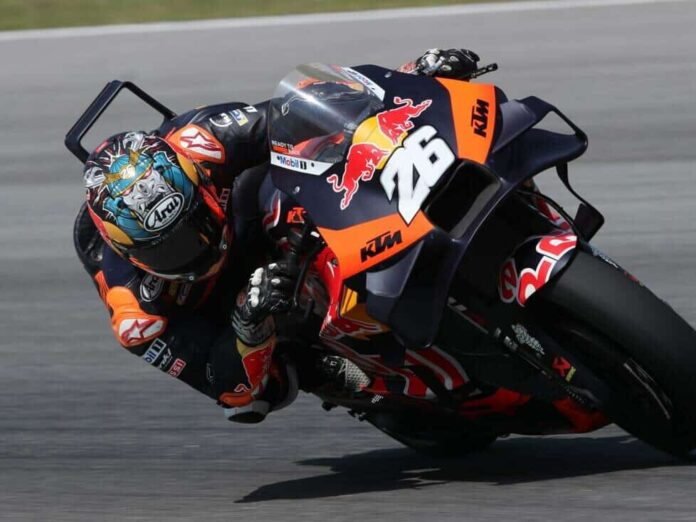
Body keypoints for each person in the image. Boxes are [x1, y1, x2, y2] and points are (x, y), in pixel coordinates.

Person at [73, 49, 482, 423]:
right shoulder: (135, 313)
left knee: (303, 155)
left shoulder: (203, 142)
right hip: (227, 307)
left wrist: (409, 80)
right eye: (169, 250)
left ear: (199, 185)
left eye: (195, 222)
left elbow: (306, 110)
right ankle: (347, 372)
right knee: (261, 394)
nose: (196, 248)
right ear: (127, 252)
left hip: (257, 219)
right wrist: (248, 322)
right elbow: (221, 384)